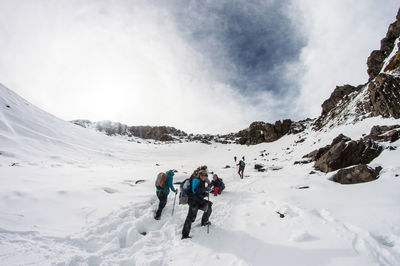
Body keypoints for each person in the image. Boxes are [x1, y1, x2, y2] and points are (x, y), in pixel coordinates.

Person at [182, 170, 212, 239]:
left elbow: (199, 192)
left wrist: (204, 192)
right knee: (190, 218)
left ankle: (204, 222)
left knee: (209, 206)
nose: (204, 177)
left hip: (198, 201)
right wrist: (204, 193)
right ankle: (185, 235)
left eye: (206, 175)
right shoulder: (196, 181)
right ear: (199, 175)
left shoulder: (201, 181)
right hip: (193, 202)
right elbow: (196, 192)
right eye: (203, 175)